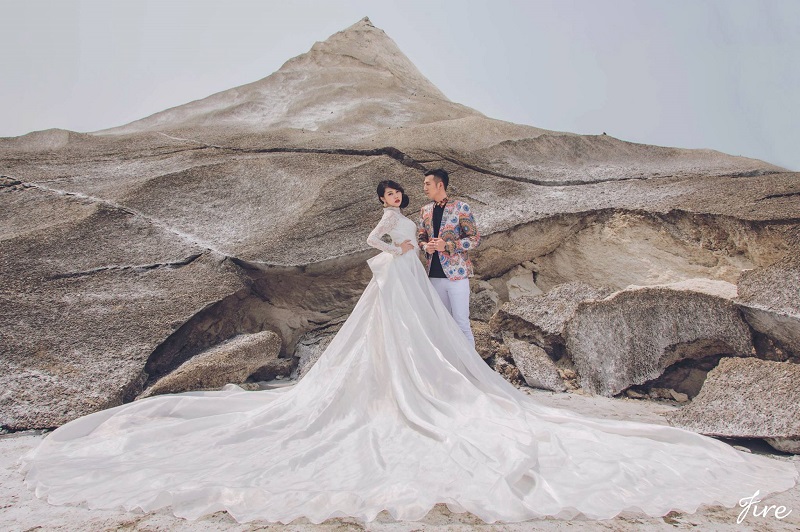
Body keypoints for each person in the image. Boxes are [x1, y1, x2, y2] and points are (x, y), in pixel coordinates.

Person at [18, 181, 798, 526]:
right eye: (390, 197)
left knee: (421, 341)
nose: (393, 203)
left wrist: (417, 247)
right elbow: (378, 245)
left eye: (399, 197)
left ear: (408, 197)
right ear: (386, 200)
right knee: (377, 345)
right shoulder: (390, 223)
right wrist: (396, 247)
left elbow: (437, 245)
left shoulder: (429, 218)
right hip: (389, 281)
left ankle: (427, 388)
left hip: (410, 281)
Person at [417, 168, 479, 348]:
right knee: (442, 324)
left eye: (427, 184)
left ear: (440, 185)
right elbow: (421, 237)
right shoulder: (425, 210)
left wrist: (448, 246)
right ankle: (451, 362)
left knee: (461, 323)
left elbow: (474, 239)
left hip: (457, 276)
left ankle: (471, 364)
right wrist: (425, 246)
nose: (424, 188)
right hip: (434, 276)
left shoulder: (460, 208)